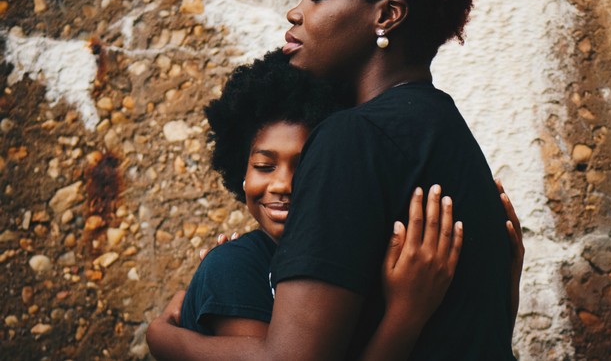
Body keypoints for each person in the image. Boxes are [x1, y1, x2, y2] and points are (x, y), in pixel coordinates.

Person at [147, 0, 523, 359]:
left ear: (385, 16)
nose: (296, 12)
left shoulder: (351, 137)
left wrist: (167, 340)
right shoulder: (446, 130)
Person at [172, 50, 464, 360]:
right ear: (241, 174)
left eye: (305, 166)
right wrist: (406, 314)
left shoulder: (346, 261)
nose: (283, 184)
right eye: (264, 166)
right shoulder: (234, 266)